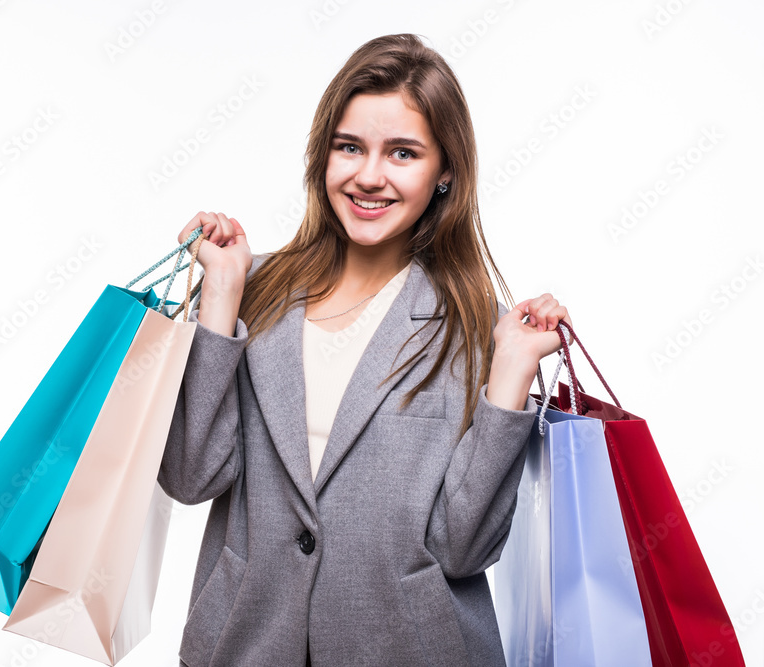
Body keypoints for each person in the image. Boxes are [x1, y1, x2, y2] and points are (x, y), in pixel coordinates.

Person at [157, 33, 572, 667]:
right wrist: (220, 296)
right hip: (246, 644)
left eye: (402, 153)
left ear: (445, 173)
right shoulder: (257, 290)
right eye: (349, 147)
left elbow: (463, 548)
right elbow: (191, 478)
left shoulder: (472, 324)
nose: (369, 176)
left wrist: (511, 371)